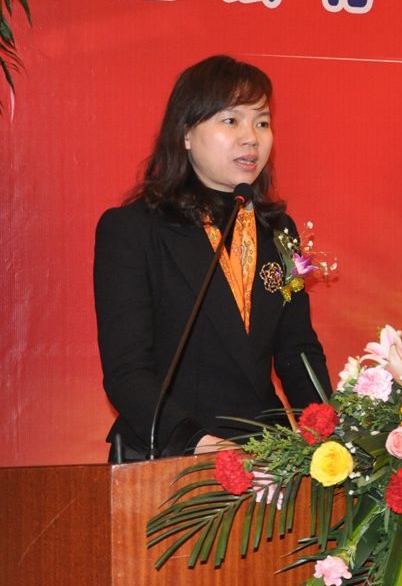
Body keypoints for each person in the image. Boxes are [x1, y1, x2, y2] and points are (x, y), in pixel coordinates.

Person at [94, 55, 331, 462]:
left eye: (262, 123)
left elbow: (298, 352)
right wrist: (200, 443)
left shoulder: (278, 230)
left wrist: (332, 437)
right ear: (186, 133)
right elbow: (127, 372)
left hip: (265, 453)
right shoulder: (133, 229)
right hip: (171, 454)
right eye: (231, 120)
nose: (251, 138)